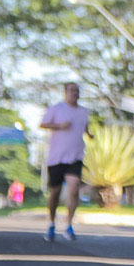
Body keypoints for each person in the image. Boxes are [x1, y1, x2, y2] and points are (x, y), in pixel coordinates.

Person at [39, 82, 91, 241]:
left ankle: (69, 225)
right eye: (72, 90)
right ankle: (52, 223)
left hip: (75, 157)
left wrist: (90, 135)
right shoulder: (56, 109)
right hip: (56, 158)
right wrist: (59, 125)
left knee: (74, 187)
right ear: (65, 93)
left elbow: (85, 128)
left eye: (77, 90)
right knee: (54, 193)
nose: (75, 93)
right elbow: (42, 124)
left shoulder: (84, 112)